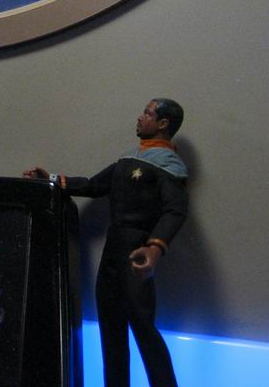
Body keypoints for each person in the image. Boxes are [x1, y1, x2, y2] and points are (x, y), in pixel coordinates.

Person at [25, 99, 188, 387]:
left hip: (136, 253)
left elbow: (175, 211)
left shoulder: (168, 166)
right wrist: (49, 180)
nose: (140, 118)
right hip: (113, 251)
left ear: (163, 123)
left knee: (143, 328)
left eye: (148, 114)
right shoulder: (129, 159)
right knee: (110, 328)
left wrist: (154, 247)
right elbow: (92, 185)